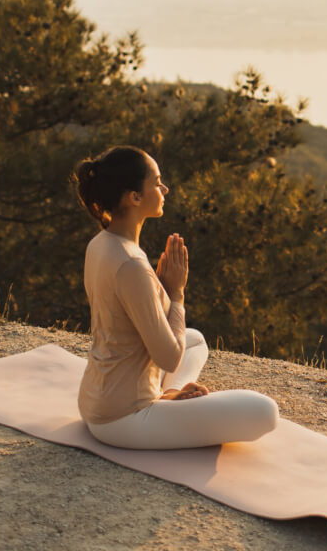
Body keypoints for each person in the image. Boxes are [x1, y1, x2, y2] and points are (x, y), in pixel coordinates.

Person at [71, 145, 279, 449]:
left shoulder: (102, 243)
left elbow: (138, 327)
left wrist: (162, 291)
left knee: (194, 339)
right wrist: (176, 293)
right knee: (265, 412)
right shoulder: (131, 264)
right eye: (156, 182)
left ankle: (172, 393)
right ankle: (169, 402)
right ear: (135, 197)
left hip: (95, 401)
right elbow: (168, 356)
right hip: (124, 418)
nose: (164, 188)